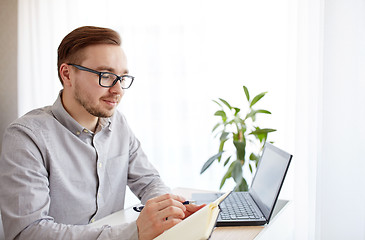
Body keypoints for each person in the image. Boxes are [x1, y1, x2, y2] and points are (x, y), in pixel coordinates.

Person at [0, 26, 203, 240]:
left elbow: (149, 180)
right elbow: (28, 233)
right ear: (67, 74)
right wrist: (135, 231)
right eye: (105, 76)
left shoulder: (118, 124)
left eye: (122, 78)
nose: (118, 90)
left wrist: (171, 210)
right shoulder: (26, 137)